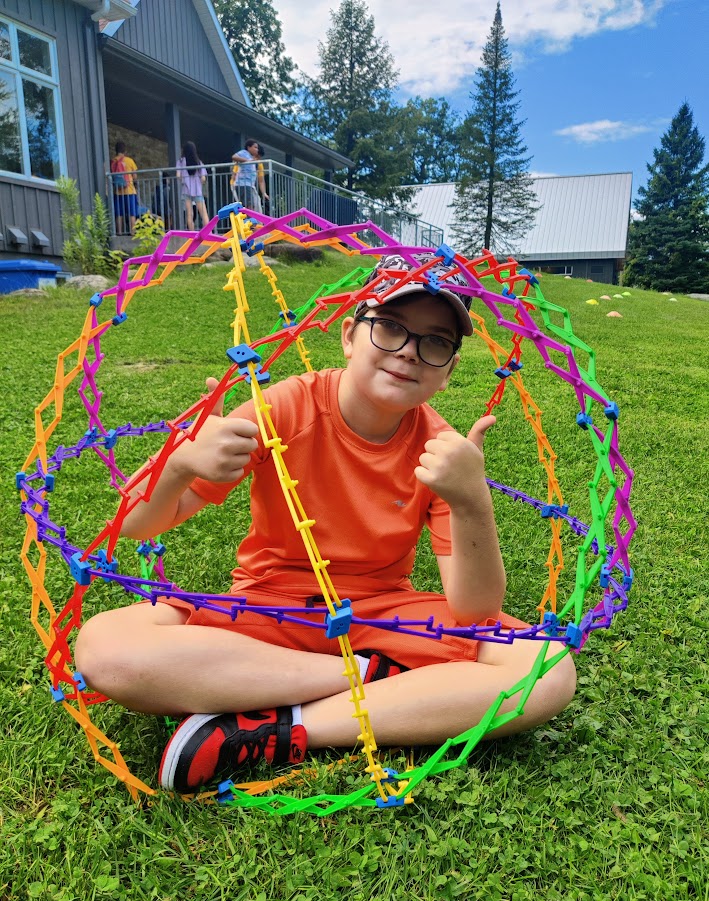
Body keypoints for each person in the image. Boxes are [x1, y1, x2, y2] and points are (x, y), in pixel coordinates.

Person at [75, 253, 577, 795]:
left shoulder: (439, 449)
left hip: (380, 613)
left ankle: (285, 729)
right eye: (389, 327)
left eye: (435, 342)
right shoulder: (284, 406)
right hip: (269, 605)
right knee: (107, 647)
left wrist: (472, 501)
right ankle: (375, 680)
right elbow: (135, 525)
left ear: (448, 371)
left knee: (548, 669)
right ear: (348, 336)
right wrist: (178, 464)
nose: (409, 351)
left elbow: (474, 611)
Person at [176, 141, 210, 231]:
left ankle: (192, 235)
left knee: (189, 215)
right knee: (204, 214)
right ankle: (208, 234)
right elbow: (203, 178)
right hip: (197, 191)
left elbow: (178, 176)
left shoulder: (180, 161)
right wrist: (198, 182)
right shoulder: (198, 162)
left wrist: (184, 179)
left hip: (186, 190)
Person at [110, 141, 138, 236]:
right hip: (129, 190)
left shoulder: (113, 161)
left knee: (119, 213)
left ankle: (119, 232)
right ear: (124, 150)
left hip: (118, 192)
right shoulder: (129, 161)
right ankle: (132, 232)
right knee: (132, 213)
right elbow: (135, 176)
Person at [230, 138, 260, 211]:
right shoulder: (244, 153)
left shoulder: (252, 157)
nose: (257, 149)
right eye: (255, 147)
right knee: (248, 205)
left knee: (251, 204)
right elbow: (234, 157)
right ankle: (249, 220)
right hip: (243, 184)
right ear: (249, 147)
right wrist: (246, 161)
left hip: (249, 185)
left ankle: (250, 220)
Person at [255, 144, 270, 214]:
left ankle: (257, 222)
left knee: (257, 201)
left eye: (259, 157)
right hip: (238, 184)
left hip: (250, 186)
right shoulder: (245, 160)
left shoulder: (259, 164)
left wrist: (264, 193)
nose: (257, 159)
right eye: (256, 157)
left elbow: (261, 181)